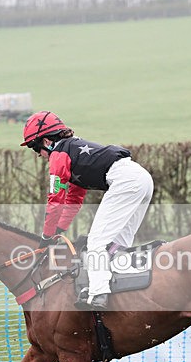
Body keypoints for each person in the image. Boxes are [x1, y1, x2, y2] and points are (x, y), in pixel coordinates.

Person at [20, 111, 154, 310]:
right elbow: (74, 200)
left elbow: (55, 200)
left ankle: (98, 294)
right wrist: (59, 230)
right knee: (118, 244)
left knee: (96, 242)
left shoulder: (58, 155)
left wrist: (47, 236)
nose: (39, 155)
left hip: (127, 182)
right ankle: (123, 291)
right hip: (142, 179)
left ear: (46, 141)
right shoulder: (73, 151)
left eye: (35, 148)